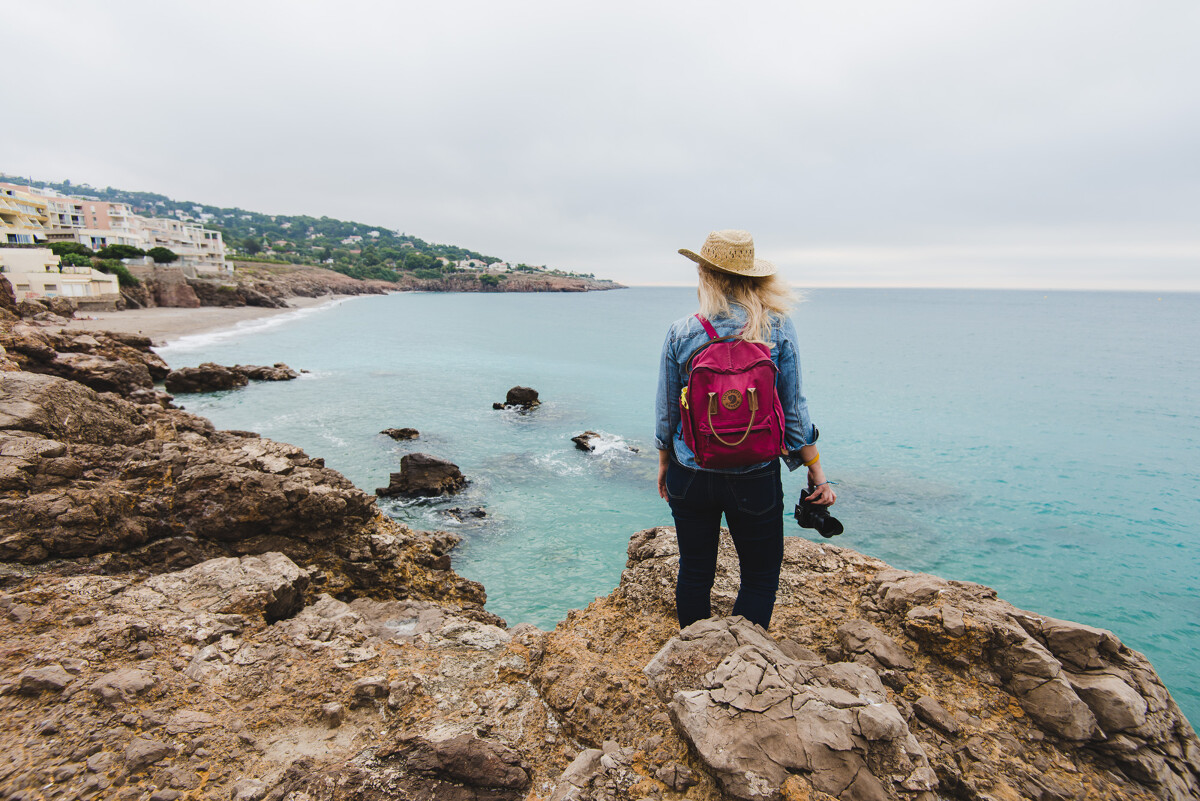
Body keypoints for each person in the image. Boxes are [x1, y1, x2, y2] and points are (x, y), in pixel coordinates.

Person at [655, 229, 835, 631]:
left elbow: (667, 410)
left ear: (705, 274)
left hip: (692, 472)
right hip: (755, 477)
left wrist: (666, 462)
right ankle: (742, 660)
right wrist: (815, 470)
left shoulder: (682, 331)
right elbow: (793, 410)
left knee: (695, 572)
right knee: (759, 577)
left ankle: (695, 658)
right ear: (754, 277)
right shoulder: (777, 328)